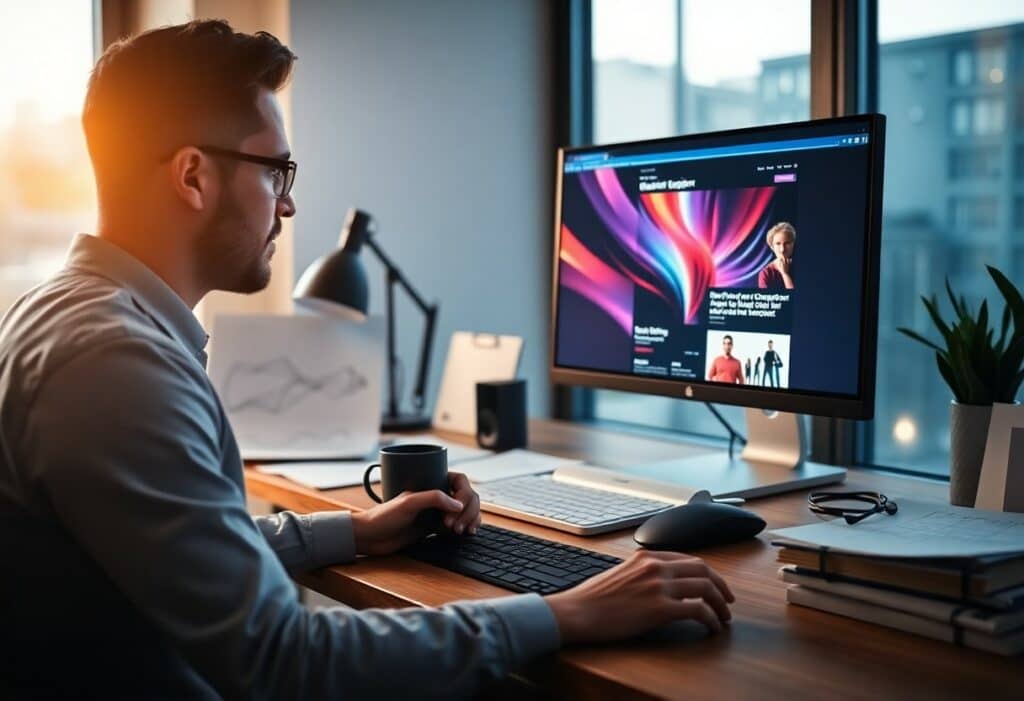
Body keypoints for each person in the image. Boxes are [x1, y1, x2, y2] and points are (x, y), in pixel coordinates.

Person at [0, 21, 733, 698]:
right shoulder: (115, 365)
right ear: (193, 176)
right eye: (276, 171)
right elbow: (285, 657)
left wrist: (357, 532)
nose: (287, 207)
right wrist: (562, 612)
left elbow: (182, 547)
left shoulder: (70, 316)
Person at [757, 221, 796, 289]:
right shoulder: (766, 273)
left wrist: (785, 274)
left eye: (787, 243)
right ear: (772, 247)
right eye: (778, 244)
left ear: (793, 244)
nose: (782, 249)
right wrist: (785, 274)